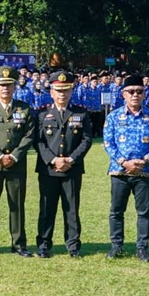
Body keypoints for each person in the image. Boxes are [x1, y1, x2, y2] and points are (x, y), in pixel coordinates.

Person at [102, 75, 149, 262]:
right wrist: (124, 162)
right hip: (120, 171)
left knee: (144, 211)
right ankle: (116, 246)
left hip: (144, 171)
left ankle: (142, 248)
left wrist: (144, 161)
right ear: (123, 94)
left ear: (144, 94)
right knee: (116, 210)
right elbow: (108, 142)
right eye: (131, 91)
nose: (135, 95)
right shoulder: (114, 116)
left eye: (139, 91)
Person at [0, 66, 36, 257]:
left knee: (17, 205)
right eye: (1, 85)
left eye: (9, 85)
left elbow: (29, 135)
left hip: (16, 164)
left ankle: (18, 244)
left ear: (14, 87)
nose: (5, 89)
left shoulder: (24, 108)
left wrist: (14, 156)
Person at [34, 71, 92, 258]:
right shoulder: (42, 113)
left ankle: (73, 245)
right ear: (51, 92)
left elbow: (86, 140)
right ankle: (44, 244)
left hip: (71, 169)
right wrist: (53, 160)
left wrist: (70, 160)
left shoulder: (81, 113)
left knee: (71, 209)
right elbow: (38, 141)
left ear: (71, 91)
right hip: (48, 169)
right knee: (46, 208)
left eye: (66, 90)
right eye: (58, 91)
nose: (62, 94)